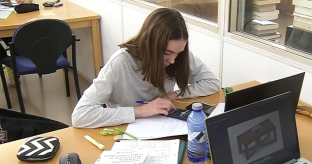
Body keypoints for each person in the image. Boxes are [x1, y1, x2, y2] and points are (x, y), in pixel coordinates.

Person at [71, 8, 220, 128]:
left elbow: (212, 83)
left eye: (178, 53)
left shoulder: (177, 56)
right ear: (150, 43)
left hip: (163, 129)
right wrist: (140, 111)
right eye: (167, 53)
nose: (173, 60)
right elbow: (80, 115)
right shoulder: (120, 63)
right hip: (126, 132)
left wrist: (173, 95)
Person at [1, 0, 34, 86]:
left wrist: (27, 1)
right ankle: (9, 64)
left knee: (15, 37)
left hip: (10, 15)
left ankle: (17, 62)